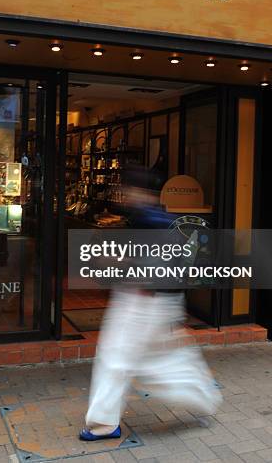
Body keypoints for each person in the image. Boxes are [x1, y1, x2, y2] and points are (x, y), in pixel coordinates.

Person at [79, 165, 222, 441]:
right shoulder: (152, 216)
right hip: (151, 301)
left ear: (139, 191)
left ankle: (103, 424)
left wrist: (120, 264)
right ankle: (204, 393)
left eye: (128, 189)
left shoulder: (150, 219)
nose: (124, 194)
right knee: (158, 362)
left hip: (143, 301)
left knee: (116, 359)